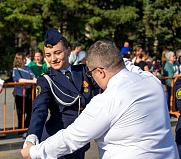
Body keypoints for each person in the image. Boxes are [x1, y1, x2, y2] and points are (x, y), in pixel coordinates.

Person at [21, 39, 178, 159]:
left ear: (100, 72)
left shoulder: (108, 100)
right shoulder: (152, 81)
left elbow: (71, 138)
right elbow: (39, 110)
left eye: (92, 73)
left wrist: (34, 152)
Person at [23, 27, 99, 159]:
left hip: (80, 140)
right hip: (57, 142)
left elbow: (105, 85)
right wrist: (32, 136)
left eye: (57, 53)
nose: (53, 59)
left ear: (68, 50)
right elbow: (39, 110)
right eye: (48, 55)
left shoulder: (83, 71)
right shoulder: (45, 80)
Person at [12, 52, 37, 137]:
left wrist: (35, 80)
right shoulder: (16, 69)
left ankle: (26, 127)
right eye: (24, 58)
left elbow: (33, 76)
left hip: (29, 92)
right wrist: (32, 81)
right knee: (21, 113)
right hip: (19, 93)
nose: (25, 60)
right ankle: (21, 130)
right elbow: (19, 80)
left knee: (30, 111)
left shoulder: (27, 68)